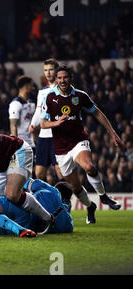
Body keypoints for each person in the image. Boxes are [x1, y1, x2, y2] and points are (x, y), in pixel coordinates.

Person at [40, 65, 124, 224]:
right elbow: (43, 124)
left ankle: (103, 196)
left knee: (89, 167)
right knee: (76, 187)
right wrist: (56, 123)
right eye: (59, 78)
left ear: (71, 78)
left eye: (65, 77)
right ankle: (90, 206)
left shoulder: (80, 95)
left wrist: (112, 133)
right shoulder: (50, 98)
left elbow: (97, 112)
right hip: (61, 149)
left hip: (78, 140)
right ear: (56, 80)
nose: (62, 80)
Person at [29, 58, 63, 182]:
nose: (48, 73)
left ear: (57, 71)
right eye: (45, 70)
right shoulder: (42, 91)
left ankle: (65, 199)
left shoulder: (63, 90)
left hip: (57, 135)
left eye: (51, 70)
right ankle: (48, 197)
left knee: (60, 171)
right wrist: (33, 124)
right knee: (39, 173)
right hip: (44, 136)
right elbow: (39, 110)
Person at [8, 75, 36, 148]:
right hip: (22, 144)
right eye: (31, 86)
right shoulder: (15, 104)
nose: (33, 88)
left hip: (32, 143)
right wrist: (16, 145)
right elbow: (13, 125)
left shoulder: (32, 103)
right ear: (26, 87)